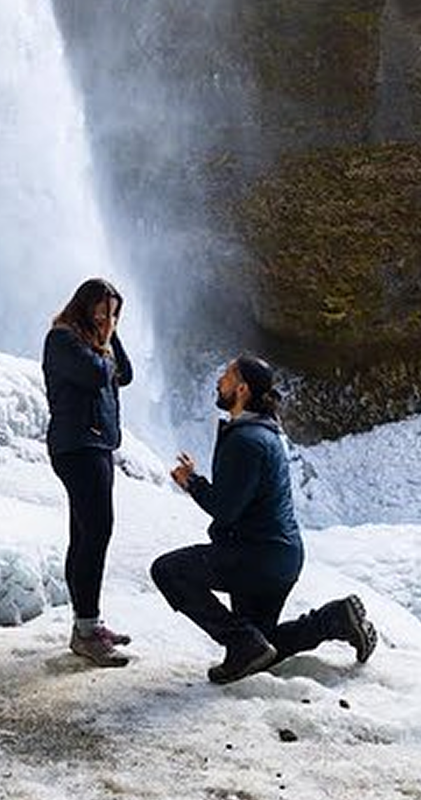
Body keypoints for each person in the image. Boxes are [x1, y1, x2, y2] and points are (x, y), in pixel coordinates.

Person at [150, 355, 377, 684]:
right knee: (263, 647)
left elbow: (227, 509)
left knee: (168, 570)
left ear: (241, 389)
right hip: (279, 557)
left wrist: (192, 483)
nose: (219, 381)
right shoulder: (262, 432)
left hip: (256, 558)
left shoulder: (245, 440)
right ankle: (336, 619)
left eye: (226, 376)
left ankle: (242, 642)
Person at [43, 278, 133, 667]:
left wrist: (111, 333)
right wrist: (105, 339)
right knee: (96, 531)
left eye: (112, 311)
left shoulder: (98, 342)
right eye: (100, 308)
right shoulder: (62, 340)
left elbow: (124, 374)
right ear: (83, 305)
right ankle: (86, 630)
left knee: (84, 533)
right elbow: (99, 375)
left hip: (96, 445)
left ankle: (87, 624)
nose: (106, 317)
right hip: (78, 446)